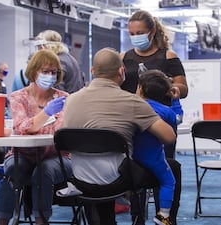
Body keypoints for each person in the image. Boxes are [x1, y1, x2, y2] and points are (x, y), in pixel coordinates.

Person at [62, 47, 176, 225]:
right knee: (173, 167)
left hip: (80, 179)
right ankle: (165, 219)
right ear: (122, 72)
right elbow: (169, 137)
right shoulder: (132, 101)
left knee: (99, 164)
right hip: (118, 180)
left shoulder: (71, 100)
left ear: (92, 71)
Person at [121, 10, 186, 224]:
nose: (135, 35)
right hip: (134, 126)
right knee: (136, 174)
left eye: (140, 32)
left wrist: (171, 90)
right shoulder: (124, 57)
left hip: (160, 123)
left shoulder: (168, 57)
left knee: (165, 172)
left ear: (152, 31)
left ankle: (165, 216)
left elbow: (183, 88)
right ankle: (137, 217)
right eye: (132, 32)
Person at [0, 49, 72, 225]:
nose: (50, 76)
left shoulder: (63, 98)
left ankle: (41, 221)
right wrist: (46, 114)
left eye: (54, 72)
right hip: (21, 154)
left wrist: (33, 125)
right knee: (13, 170)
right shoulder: (17, 97)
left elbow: (59, 131)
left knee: (43, 171)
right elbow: (21, 126)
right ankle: (2, 221)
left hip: (57, 156)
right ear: (33, 71)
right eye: (45, 71)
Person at [135, 70, 178, 224]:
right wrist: (176, 101)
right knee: (168, 182)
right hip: (154, 158)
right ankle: (163, 215)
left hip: (131, 158)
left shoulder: (132, 107)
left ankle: (136, 217)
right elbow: (177, 120)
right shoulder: (166, 112)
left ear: (140, 89)